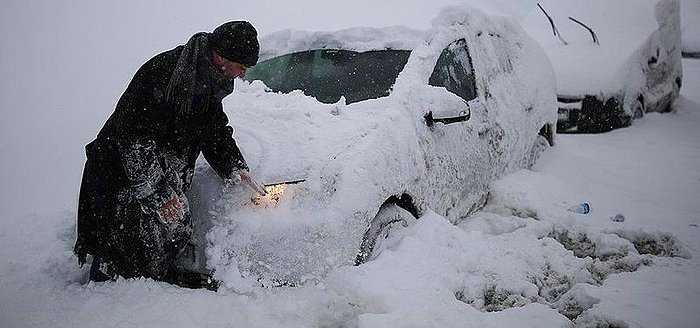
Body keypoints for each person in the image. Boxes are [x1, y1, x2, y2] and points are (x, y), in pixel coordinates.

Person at [74, 21, 265, 290]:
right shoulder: (165, 74)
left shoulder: (208, 79)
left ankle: (152, 287)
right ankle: (103, 299)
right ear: (221, 57)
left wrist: (234, 166)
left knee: (165, 235)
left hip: (153, 170)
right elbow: (133, 141)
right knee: (120, 248)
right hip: (121, 174)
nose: (243, 74)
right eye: (242, 67)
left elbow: (213, 129)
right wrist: (160, 195)